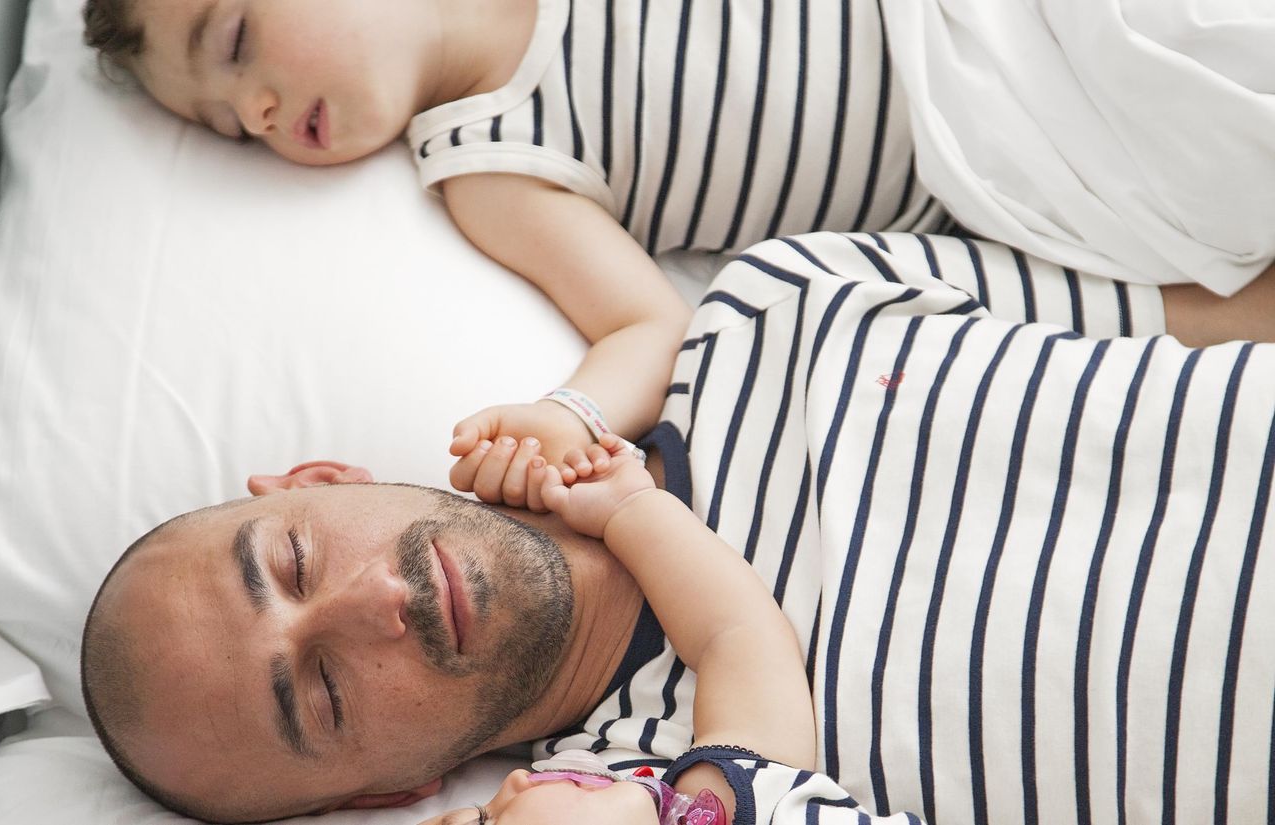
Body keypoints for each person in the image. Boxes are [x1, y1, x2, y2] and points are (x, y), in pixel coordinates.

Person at [83, 232, 1275, 824]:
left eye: (293, 562)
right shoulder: (670, 791)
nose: (372, 607)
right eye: (324, 696)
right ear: (389, 795)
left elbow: (1219, 313)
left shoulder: (772, 307)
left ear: (325, 478)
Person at [77, 0, 1275, 512]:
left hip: (968, 27)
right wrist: (564, 415)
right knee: (1180, 273)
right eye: (228, 123)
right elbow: (644, 324)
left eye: (236, 42)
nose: (265, 111)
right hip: (980, 184)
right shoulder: (488, 157)